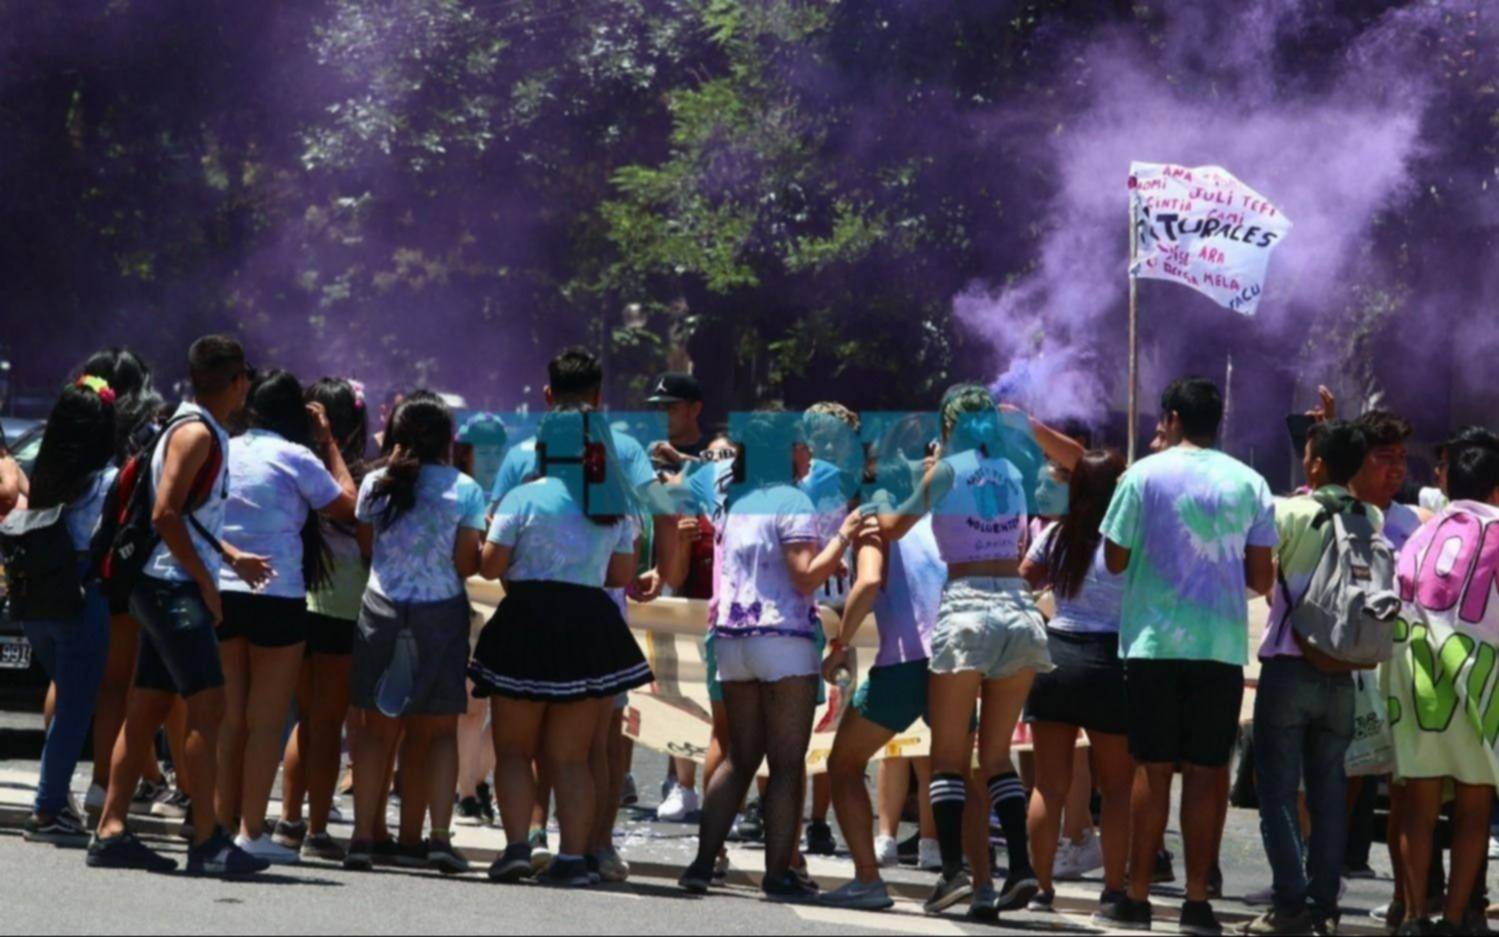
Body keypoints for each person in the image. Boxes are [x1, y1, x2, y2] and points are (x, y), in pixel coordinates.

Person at [87, 335, 274, 876]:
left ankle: (113, 831)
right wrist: (206, 584)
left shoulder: (196, 427)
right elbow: (166, 514)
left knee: (146, 707)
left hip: (162, 582)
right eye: (246, 377)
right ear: (236, 379)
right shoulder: (195, 433)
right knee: (208, 707)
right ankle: (207, 840)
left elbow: (184, 512)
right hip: (172, 588)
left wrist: (230, 556)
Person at [1101, 376, 1276, 935]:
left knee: (1152, 770)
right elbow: (1259, 575)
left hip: (1153, 646)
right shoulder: (1251, 482)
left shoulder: (1141, 475)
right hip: (1220, 647)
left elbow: (1115, 558)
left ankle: (1137, 896)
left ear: (1171, 417)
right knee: (1207, 774)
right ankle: (1197, 901)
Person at [487, 348, 672, 876]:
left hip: (525, 622)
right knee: (573, 755)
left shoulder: (523, 499)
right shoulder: (608, 504)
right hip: (590, 626)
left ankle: (519, 848)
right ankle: (575, 857)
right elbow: (619, 576)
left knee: (516, 750)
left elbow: (488, 563)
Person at [679, 411, 871, 901]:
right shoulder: (793, 501)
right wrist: (845, 535)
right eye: (801, 445)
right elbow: (805, 576)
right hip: (782, 640)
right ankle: (778, 874)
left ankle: (702, 864)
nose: (808, 453)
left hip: (732, 641)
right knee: (786, 764)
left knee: (740, 759)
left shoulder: (736, 500)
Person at [877, 385, 1052, 920]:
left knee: (949, 757)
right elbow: (1018, 546)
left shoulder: (946, 470)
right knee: (997, 757)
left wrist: (885, 498)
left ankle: (953, 871)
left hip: (968, 605)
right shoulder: (1015, 474)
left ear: (949, 424)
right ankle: (1020, 868)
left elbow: (893, 527)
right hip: (1019, 611)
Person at [213, 370, 357, 863]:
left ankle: (219, 824)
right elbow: (349, 507)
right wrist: (329, 442)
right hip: (278, 595)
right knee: (266, 721)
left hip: (223, 589)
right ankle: (252, 832)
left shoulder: (227, 447)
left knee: (230, 720)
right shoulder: (297, 457)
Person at [343, 395, 484, 876]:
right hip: (441, 612)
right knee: (438, 731)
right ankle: (438, 838)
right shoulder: (465, 489)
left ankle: (362, 837)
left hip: (380, 609)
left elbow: (367, 548)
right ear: (449, 439)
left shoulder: (374, 484)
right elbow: (466, 564)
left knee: (374, 732)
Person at [1243, 420, 1375, 935]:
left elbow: (1261, 574)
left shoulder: (1290, 512)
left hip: (1289, 661)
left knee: (1276, 790)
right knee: (1328, 791)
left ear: (1315, 463)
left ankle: (1290, 904)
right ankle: (1325, 904)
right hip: (1342, 670)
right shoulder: (1372, 518)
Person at [818, 425, 955, 911]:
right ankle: (978, 880)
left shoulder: (872, 514)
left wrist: (839, 642)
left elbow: (870, 580)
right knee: (968, 770)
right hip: (952, 658)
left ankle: (868, 880)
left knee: (843, 764)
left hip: (904, 662)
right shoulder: (934, 516)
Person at [1018, 449, 1136, 922]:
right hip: (1110, 662)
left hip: (1057, 655)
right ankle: (1112, 891)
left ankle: (1040, 887)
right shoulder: (1128, 539)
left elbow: (1023, 579)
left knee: (1048, 785)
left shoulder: (1055, 535)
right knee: (1116, 790)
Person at [1390, 438, 1499, 936]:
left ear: (1447, 481)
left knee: (1419, 805)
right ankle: (1456, 919)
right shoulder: (1496, 532)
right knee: (1474, 808)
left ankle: (1414, 915)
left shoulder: (1421, 534)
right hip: (1481, 683)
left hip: (1418, 684)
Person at [15, 379, 117, 846]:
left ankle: (54, 804)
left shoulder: (42, 475)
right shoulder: (107, 480)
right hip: (82, 592)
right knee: (76, 708)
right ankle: (48, 808)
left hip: (37, 595)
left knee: (67, 700)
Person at [276, 377, 371, 861]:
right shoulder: (348, 473)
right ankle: (313, 828)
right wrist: (330, 443)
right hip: (336, 609)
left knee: (306, 720)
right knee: (325, 722)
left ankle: (290, 820)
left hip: (298, 601)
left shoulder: (293, 464)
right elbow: (350, 507)